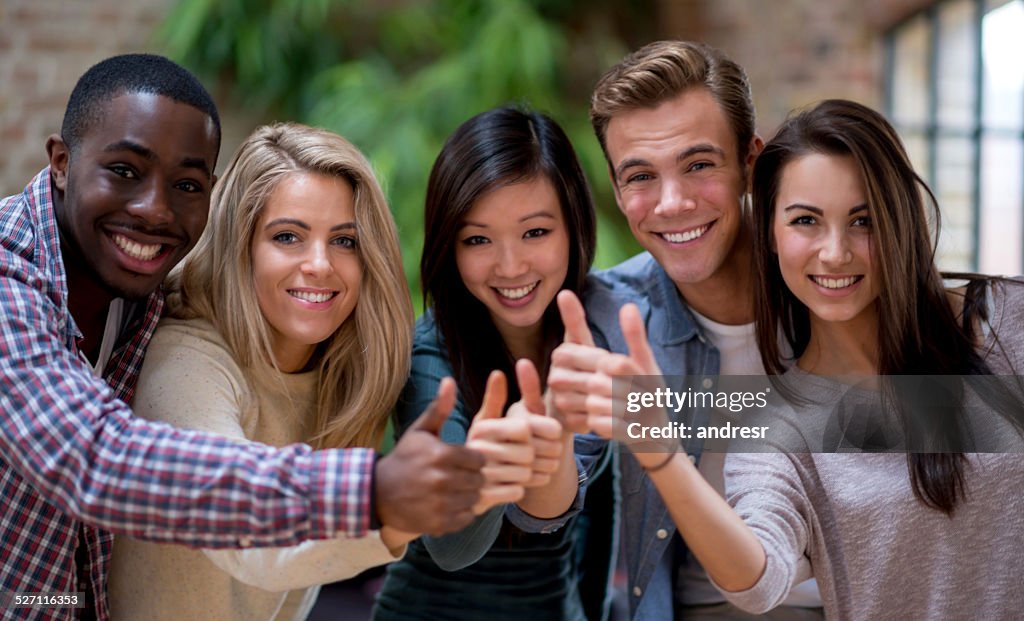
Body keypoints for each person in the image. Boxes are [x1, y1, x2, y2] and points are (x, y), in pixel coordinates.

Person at [0, 54, 483, 621]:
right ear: (60, 161)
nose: (155, 210)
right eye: (125, 171)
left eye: (185, 184)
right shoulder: (13, 286)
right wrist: (370, 491)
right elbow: (96, 458)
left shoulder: (150, 288)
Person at [557, 98, 1024, 618]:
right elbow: (755, 580)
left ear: (900, 220)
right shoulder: (780, 428)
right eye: (806, 221)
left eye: (863, 220)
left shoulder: (1008, 321)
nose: (835, 252)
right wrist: (662, 453)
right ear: (771, 233)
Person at [534, 41, 824, 620]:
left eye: (698, 165)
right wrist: (550, 444)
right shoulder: (610, 314)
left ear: (750, 160)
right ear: (617, 191)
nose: (672, 203)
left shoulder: (832, 278)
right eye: (640, 176)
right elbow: (549, 509)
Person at [108, 122, 432, 619]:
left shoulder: (341, 372)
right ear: (242, 248)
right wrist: (391, 506)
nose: (320, 264)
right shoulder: (187, 363)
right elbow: (249, 534)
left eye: (344, 241)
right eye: (288, 237)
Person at [372, 106, 613, 621]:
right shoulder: (430, 354)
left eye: (535, 232)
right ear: (449, 246)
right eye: (477, 239)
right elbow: (450, 548)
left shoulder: (603, 327)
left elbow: (592, 520)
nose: (510, 266)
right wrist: (484, 471)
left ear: (573, 224)